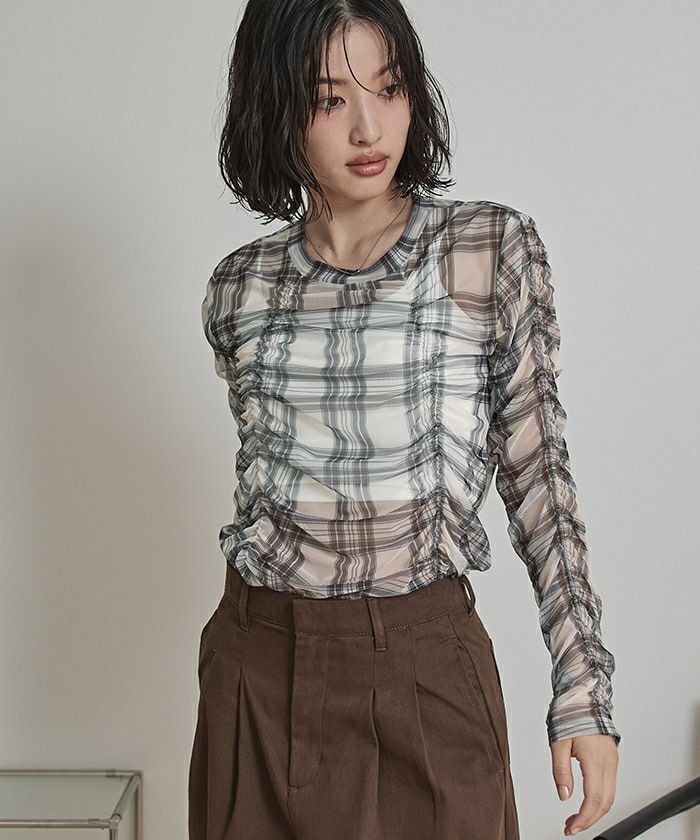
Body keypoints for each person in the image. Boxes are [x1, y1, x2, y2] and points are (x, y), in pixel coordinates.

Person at [188, 1, 621, 838]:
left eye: (388, 89)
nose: (368, 127)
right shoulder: (238, 287)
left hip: (423, 667)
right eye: (329, 99)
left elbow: (538, 474)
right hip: (256, 666)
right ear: (275, 109)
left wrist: (583, 687)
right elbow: (271, 482)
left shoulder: (486, 248)